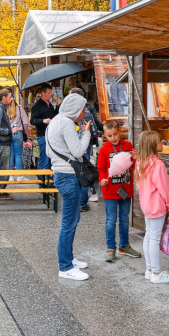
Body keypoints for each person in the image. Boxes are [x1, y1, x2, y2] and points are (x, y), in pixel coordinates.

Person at [46, 93, 92, 280]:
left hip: (61, 173)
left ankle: (69, 258)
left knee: (72, 220)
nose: (84, 113)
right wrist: (86, 133)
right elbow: (78, 151)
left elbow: (50, 151)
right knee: (68, 223)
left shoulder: (55, 121)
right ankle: (65, 267)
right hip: (68, 176)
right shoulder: (66, 123)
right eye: (82, 109)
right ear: (75, 108)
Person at [135, 131, 169, 284]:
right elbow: (164, 188)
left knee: (149, 235)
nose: (162, 144)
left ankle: (149, 269)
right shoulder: (158, 164)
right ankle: (156, 273)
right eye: (160, 141)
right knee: (154, 238)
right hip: (157, 206)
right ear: (153, 144)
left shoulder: (141, 162)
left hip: (146, 205)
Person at [97, 120, 142, 262]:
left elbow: (133, 165)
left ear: (120, 132)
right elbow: (101, 169)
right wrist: (102, 179)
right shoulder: (104, 150)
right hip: (110, 191)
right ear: (105, 136)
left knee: (124, 219)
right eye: (109, 136)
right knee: (111, 220)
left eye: (115, 134)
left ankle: (124, 245)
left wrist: (135, 158)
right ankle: (110, 247)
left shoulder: (127, 146)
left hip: (125, 189)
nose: (113, 138)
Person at [69, 88, 102, 211]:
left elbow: (83, 131)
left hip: (82, 144)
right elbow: (97, 123)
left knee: (82, 170)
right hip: (84, 143)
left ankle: (83, 201)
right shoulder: (87, 109)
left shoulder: (81, 113)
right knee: (84, 169)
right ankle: (88, 196)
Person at [30, 83, 59, 175]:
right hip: (42, 135)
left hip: (50, 135)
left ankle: (48, 182)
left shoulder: (49, 104)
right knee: (44, 159)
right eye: (49, 93)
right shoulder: (38, 105)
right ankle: (42, 183)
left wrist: (58, 106)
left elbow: (54, 116)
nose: (51, 95)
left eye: (51, 93)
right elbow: (32, 120)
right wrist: (43, 121)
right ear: (43, 93)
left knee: (50, 160)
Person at [0, 89, 15, 198]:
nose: (11, 99)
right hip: (3, 141)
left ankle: (2, 189)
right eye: (9, 97)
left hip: (4, 141)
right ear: (3, 98)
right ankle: (0, 190)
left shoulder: (1, 108)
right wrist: (10, 131)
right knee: (4, 167)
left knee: (5, 166)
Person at [7, 98, 29, 179]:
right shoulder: (19, 108)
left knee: (11, 155)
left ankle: (11, 176)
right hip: (18, 133)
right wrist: (24, 129)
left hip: (9, 133)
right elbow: (26, 122)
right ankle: (20, 176)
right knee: (18, 155)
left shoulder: (5, 109)